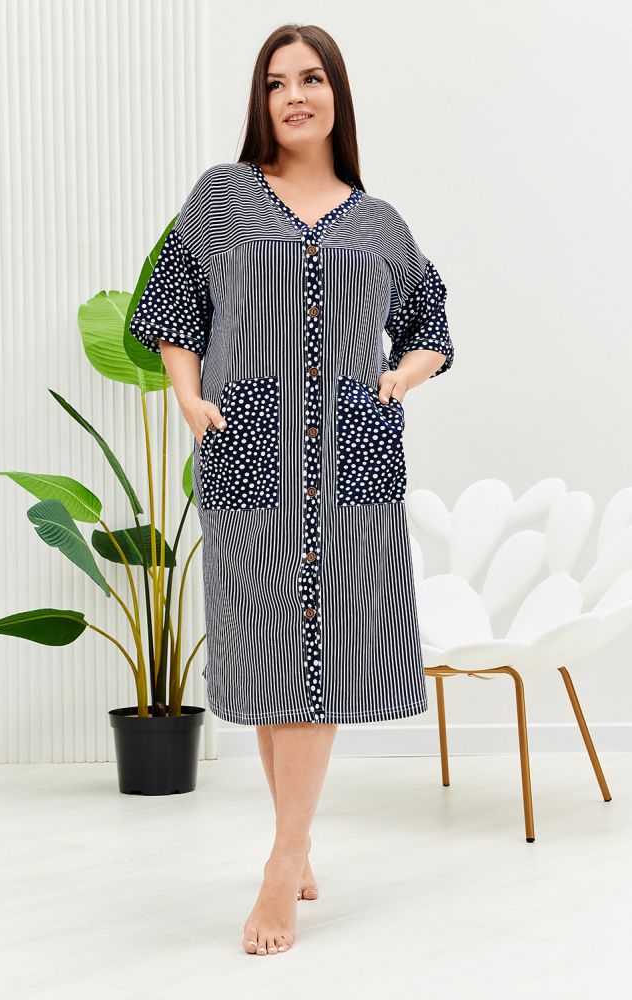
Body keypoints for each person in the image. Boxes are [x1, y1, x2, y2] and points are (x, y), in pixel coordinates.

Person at [129, 23, 454, 958]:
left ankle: (283, 860)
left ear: (336, 94)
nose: (294, 96)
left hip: (350, 466)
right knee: (276, 656)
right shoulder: (224, 198)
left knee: (322, 660)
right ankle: (296, 842)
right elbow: (173, 304)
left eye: (310, 79)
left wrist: (399, 379)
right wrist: (188, 396)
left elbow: (430, 325)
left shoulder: (378, 222)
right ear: (260, 100)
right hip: (247, 455)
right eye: (276, 83)